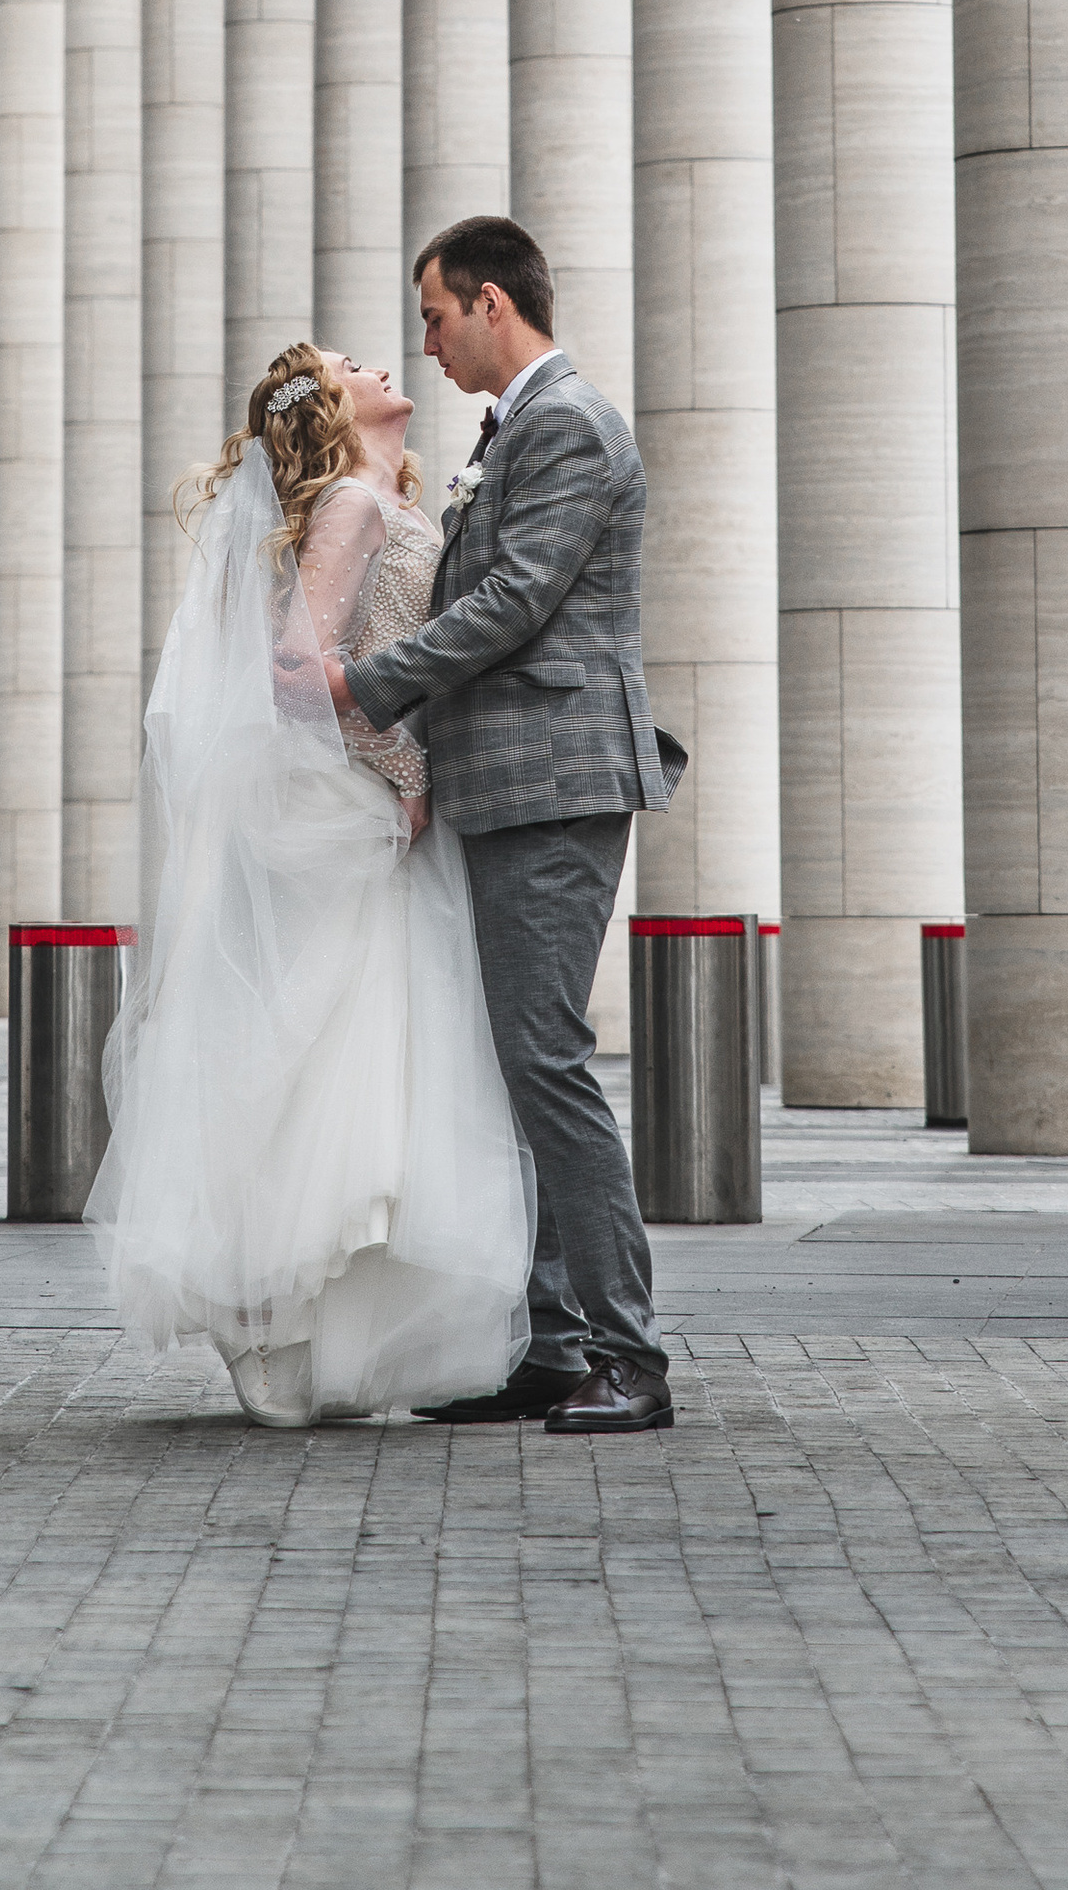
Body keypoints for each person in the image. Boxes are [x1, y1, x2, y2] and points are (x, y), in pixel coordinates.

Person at [85, 341, 535, 1428]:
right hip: (342, 807)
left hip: (365, 800)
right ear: (330, 405)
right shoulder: (348, 504)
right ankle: (273, 1318)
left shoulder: (384, 491)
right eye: (350, 361)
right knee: (321, 1054)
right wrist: (402, 765)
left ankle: (319, 1335)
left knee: (359, 1057)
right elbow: (294, 667)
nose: (380, 358)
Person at [317, 213, 680, 1438]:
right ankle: (554, 1339)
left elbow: (519, 599)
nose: (424, 342)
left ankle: (628, 1353)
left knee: (547, 1062)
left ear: (487, 300)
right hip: (506, 781)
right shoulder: (517, 427)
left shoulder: (569, 422)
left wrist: (370, 683)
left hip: (555, 777)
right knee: (523, 1067)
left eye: (432, 315)